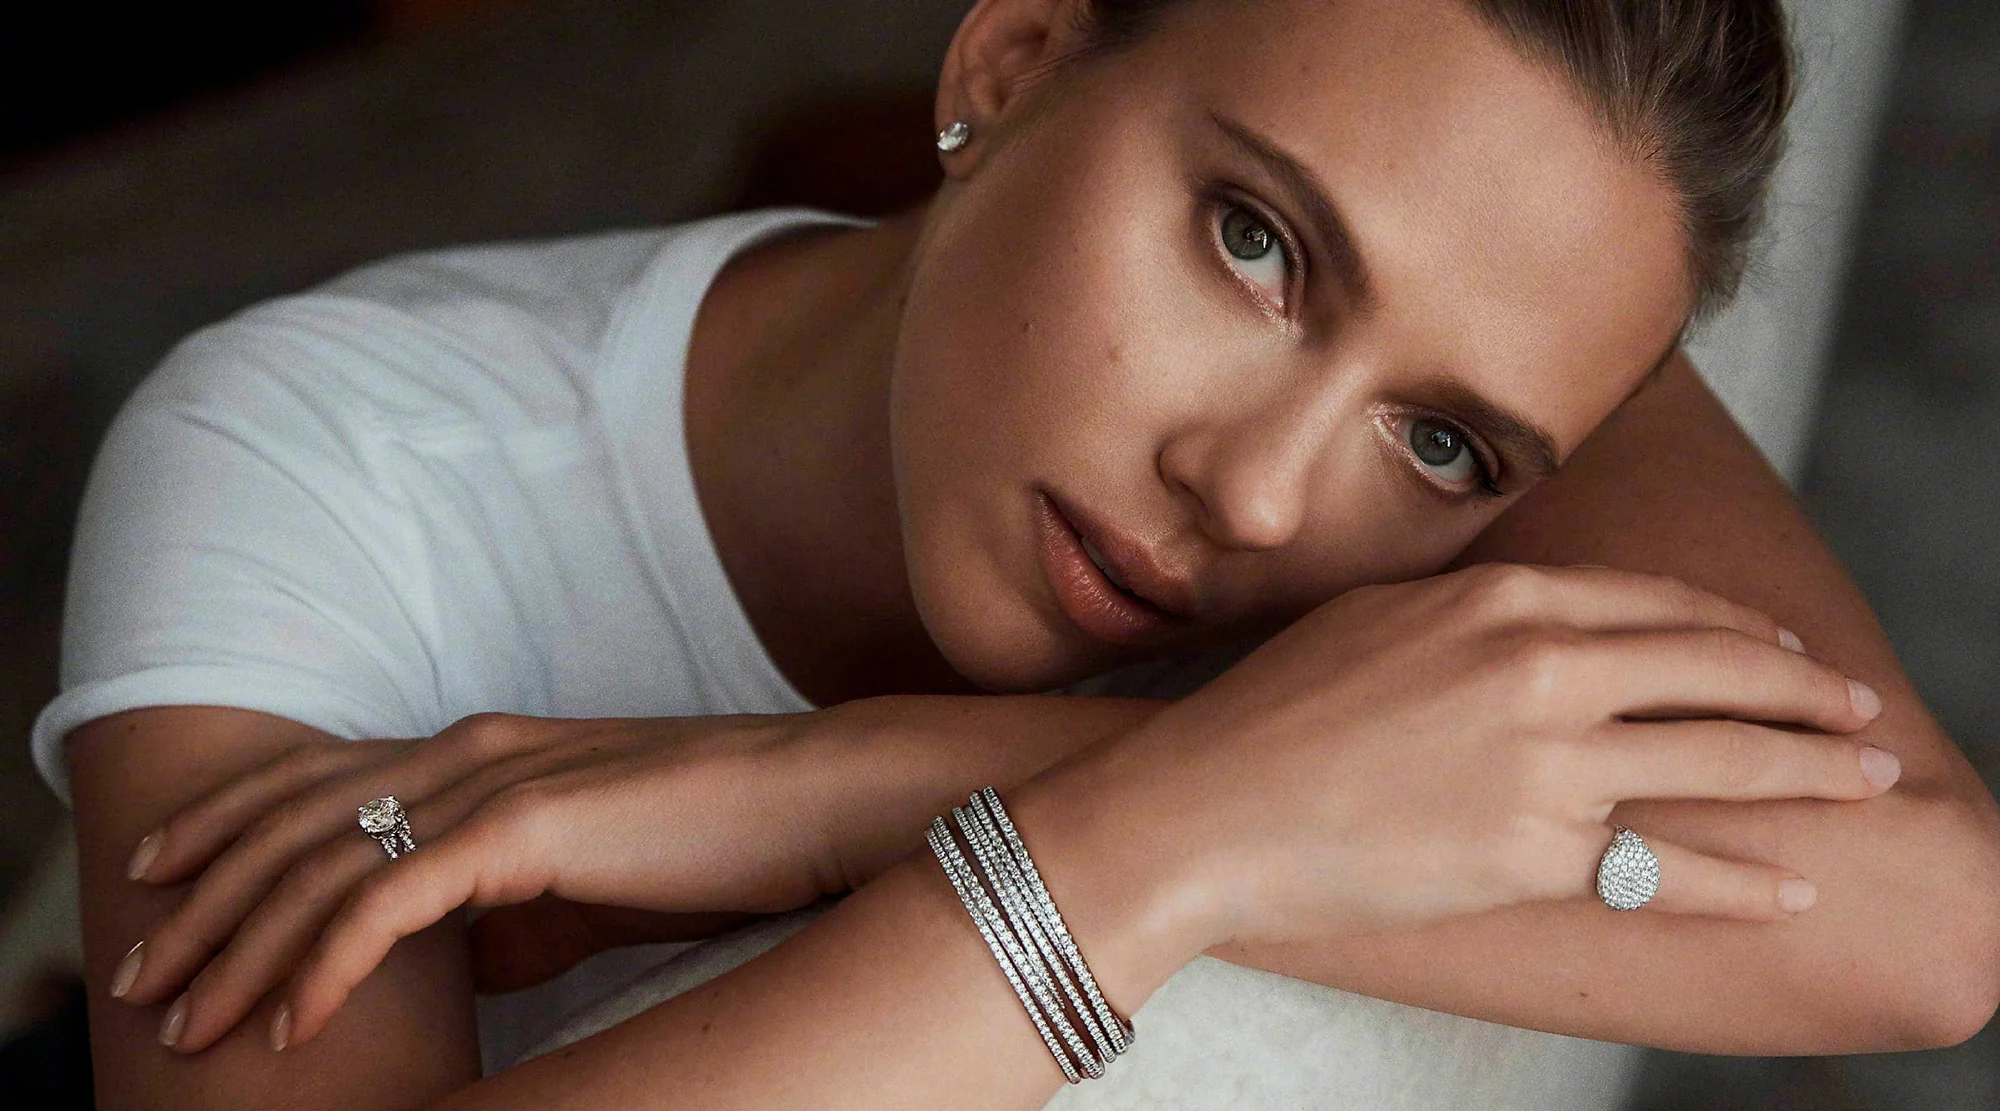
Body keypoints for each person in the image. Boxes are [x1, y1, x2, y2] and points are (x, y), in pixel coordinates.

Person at [33, 0, 2000, 1106]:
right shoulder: (327, 451)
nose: (1258, 496)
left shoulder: (1521, 313)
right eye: (1254, 244)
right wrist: (1150, 840)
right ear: (1017, 58)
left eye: (1442, 441)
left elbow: (1925, 926)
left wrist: (861, 790)